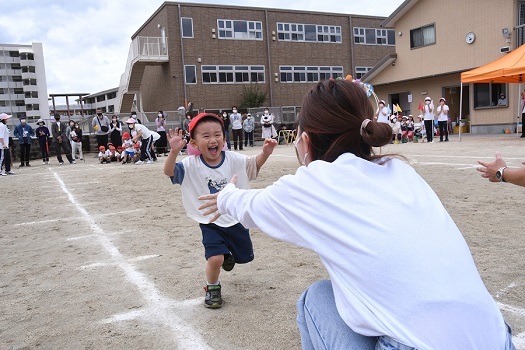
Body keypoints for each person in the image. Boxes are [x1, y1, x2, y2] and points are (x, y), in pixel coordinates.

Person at [198, 78, 515, 350]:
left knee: (317, 299)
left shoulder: (315, 182)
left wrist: (226, 195)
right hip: (499, 338)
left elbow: (250, 207)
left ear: (305, 141)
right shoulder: (400, 171)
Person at [163, 112, 277, 309]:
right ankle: (212, 287)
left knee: (245, 257)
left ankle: (228, 255)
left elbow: (252, 166)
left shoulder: (232, 159)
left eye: (217, 134)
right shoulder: (191, 164)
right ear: (194, 143)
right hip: (210, 220)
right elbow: (170, 172)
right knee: (215, 257)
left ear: (224, 139)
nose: (213, 139)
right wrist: (173, 152)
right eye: (205, 136)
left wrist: (265, 153)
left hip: (234, 217)